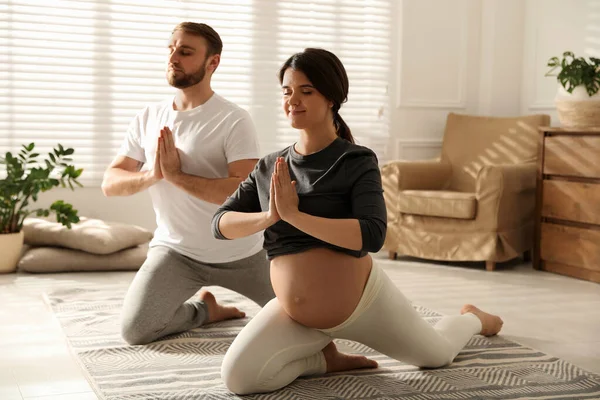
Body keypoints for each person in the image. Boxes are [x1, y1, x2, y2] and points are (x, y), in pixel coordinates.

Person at [210, 48, 504, 395]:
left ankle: (472, 318)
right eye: (287, 91)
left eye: (306, 91)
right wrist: (271, 216)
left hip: (365, 304)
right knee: (239, 380)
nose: (293, 100)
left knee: (436, 356)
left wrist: (296, 216)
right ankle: (322, 359)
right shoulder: (268, 167)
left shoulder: (356, 160)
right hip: (297, 315)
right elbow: (220, 223)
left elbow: (372, 234)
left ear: (332, 97)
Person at [101, 22, 275, 346]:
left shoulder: (233, 119)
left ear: (213, 63)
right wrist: (153, 175)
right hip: (176, 252)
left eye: (185, 51)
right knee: (135, 330)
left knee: (306, 321)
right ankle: (204, 311)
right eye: (170, 49)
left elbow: (244, 192)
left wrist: (177, 177)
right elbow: (110, 182)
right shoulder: (148, 117)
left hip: (244, 253)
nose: (173, 57)